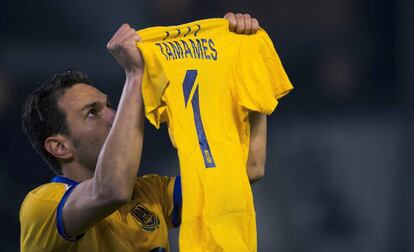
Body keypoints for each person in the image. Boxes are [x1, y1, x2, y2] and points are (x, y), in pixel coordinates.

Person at [20, 13, 264, 252]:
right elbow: (111, 191)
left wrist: (248, 71)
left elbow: (244, 170)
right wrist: (136, 76)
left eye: (109, 105)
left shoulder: (150, 193)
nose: (115, 116)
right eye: (92, 113)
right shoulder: (43, 207)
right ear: (60, 147)